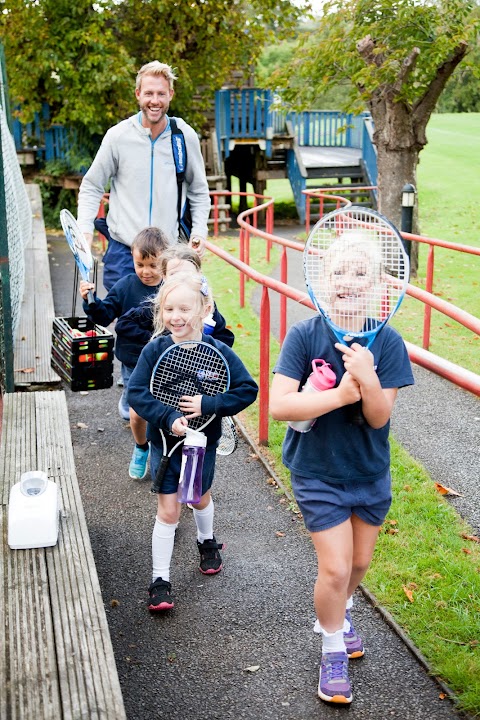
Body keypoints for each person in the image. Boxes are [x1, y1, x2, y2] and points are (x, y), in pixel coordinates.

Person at [269, 236, 414, 705]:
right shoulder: (305, 335)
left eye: (359, 274)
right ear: (323, 279)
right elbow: (280, 407)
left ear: (377, 287)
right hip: (317, 473)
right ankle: (332, 647)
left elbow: (378, 417)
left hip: (369, 472)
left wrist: (368, 378)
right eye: (339, 272)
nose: (347, 282)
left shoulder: (387, 343)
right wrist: (337, 395)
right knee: (333, 569)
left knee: (357, 565)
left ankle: (341, 612)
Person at [127, 273, 258, 612]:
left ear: (205, 310)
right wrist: (167, 417)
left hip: (202, 445)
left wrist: (207, 405)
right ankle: (160, 581)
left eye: (185, 308)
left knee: (198, 497)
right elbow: (137, 393)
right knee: (168, 511)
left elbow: (247, 390)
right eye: (169, 308)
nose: (176, 316)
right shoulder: (155, 350)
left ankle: (206, 541)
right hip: (164, 446)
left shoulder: (219, 353)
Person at [77, 60, 211, 291]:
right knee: (127, 324)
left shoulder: (183, 136)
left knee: (169, 322)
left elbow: (199, 190)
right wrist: (84, 230)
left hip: (169, 256)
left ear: (171, 94)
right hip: (124, 253)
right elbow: (92, 186)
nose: (155, 100)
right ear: (138, 94)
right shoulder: (118, 136)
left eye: (161, 93)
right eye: (149, 93)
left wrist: (199, 231)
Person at [115, 245, 235, 480]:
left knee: (192, 423)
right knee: (138, 414)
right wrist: (154, 343)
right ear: (164, 278)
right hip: (160, 375)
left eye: (188, 274)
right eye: (174, 275)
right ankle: (142, 447)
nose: (182, 280)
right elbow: (123, 325)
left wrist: (210, 348)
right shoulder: (159, 305)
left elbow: (225, 339)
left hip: (193, 379)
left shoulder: (205, 310)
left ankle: (192, 482)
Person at [79, 226, 168, 478]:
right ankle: (141, 447)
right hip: (133, 362)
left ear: (164, 261)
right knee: (137, 413)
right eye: (140, 264)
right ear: (132, 258)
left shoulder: (171, 288)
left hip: (164, 362)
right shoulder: (126, 285)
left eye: (153, 265)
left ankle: (162, 455)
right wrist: (91, 301)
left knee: (161, 413)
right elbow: (104, 315)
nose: (146, 271)